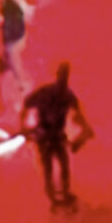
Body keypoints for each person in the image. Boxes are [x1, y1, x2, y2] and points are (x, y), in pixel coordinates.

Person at [20, 62, 93, 210]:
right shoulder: (46, 92)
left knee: (63, 166)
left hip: (57, 136)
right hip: (44, 135)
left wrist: (84, 131)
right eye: (62, 74)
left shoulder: (67, 95)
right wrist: (24, 127)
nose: (63, 78)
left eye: (65, 75)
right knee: (48, 168)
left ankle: (64, 193)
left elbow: (78, 113)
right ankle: (53, 198)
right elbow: (26, 105)